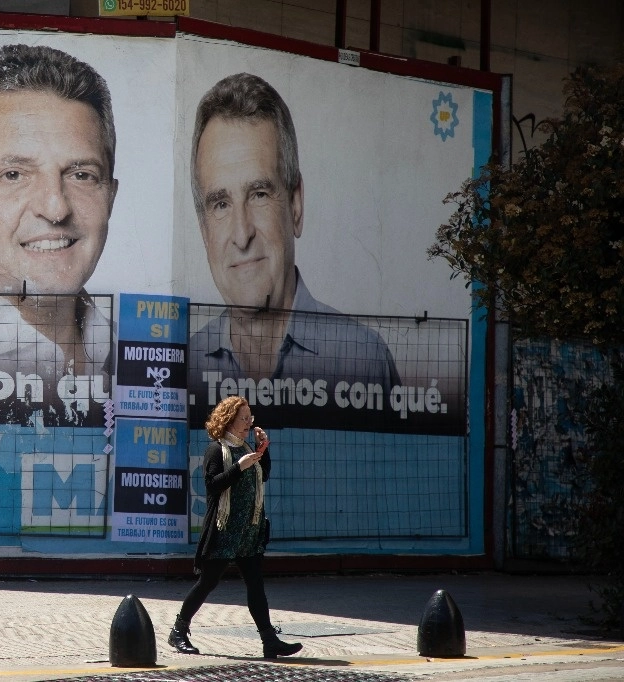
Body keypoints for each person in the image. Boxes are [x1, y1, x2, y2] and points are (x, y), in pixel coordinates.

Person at [188, 73, 400, 424]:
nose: (242, 235)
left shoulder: (362, 361)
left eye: (259, 194)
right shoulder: (184, 368)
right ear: (204, 230)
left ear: (296, 206)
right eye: (220, 204)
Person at [0, 43, 118, 378]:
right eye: (14, 175)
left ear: (110, 198)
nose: (55, 208)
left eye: (81, 175)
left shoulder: (151, 359)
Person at [168, 395, 302, 658]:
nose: (249, 422)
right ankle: (178, 630)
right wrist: (238, 468)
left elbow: (264, 475)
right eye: (243, 418)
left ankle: (269, 640)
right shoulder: (217, 450)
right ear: (228, 420)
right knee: (208, 582)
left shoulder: (246, 448)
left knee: (255, 584)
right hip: (224, 530)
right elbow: (212, 485)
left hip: (248, 531)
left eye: (250, 417)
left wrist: (263, 448)